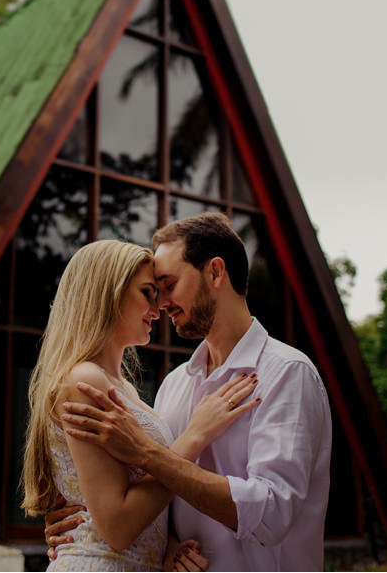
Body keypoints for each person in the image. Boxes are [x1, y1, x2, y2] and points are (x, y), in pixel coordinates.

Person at [46, 213, 332, 571]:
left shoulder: (287, 373)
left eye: (167, 284)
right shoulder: (174, 386)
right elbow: (157, 503)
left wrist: (149, 454)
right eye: (152, 291)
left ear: (215, 272)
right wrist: (97, 524)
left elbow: (271, 513)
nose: (160, 303)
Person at [21, 239, 262, 571]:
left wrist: (167, 546)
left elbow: (131, 501)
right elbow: (117, 527)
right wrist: (195, 435)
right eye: (148, 292)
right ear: (109, 293)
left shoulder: (126, 391)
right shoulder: (86, 381)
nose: (158, 306)